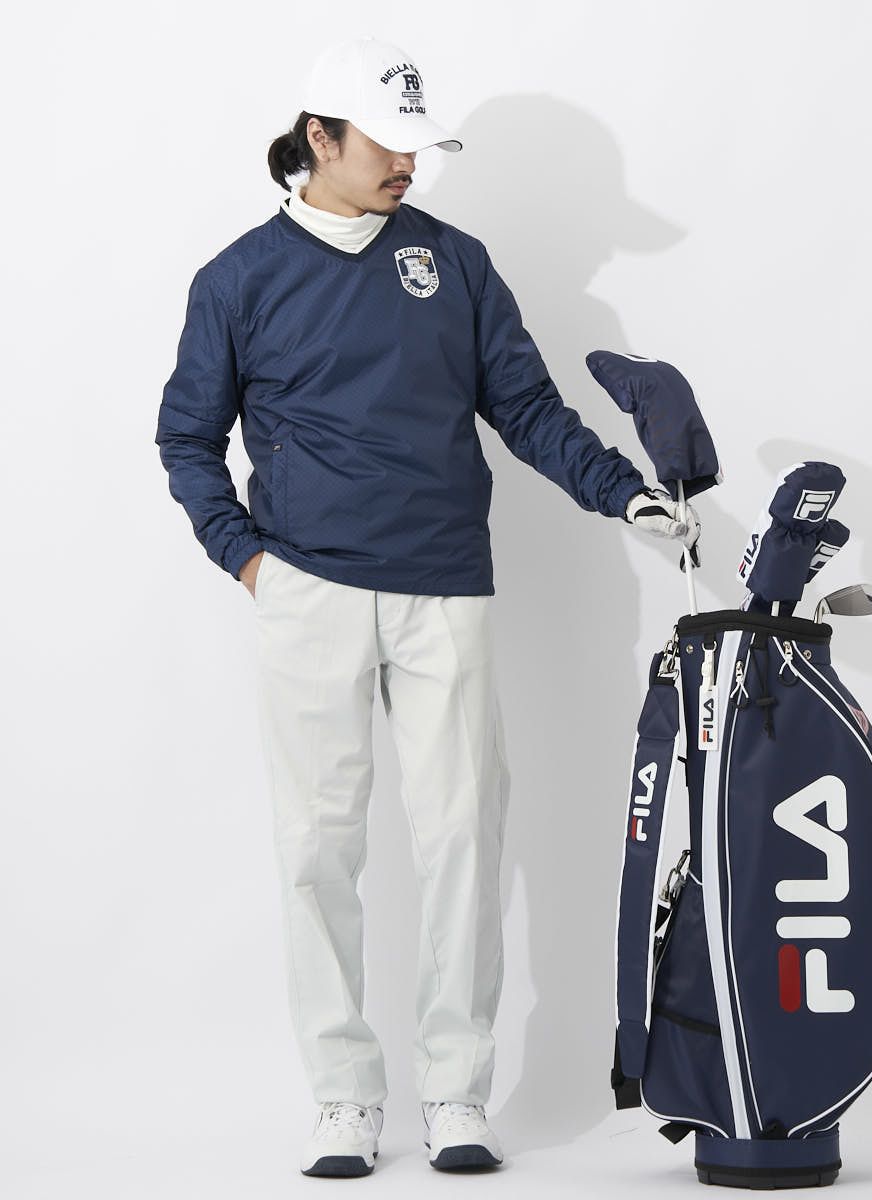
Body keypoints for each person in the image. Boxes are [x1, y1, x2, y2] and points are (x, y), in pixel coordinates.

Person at [154, 34, 700, 1179]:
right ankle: (344, 1100)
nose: (408, 164)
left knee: (461, 839)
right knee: (317, 851)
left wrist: (623, 495)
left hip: (443, 586)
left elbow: (529, 409)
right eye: (386, 143)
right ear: (319, 138)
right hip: (307, 589)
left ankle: (455, 1093)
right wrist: (250, 562)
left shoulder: (452, 263)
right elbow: (188, 440)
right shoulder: (238, 279)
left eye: (417, 144)